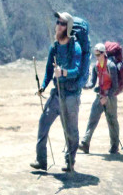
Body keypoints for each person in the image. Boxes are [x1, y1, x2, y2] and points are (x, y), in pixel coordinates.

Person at [30, 12, 82, 172]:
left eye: (61, 23)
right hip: (56, 95)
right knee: (43, 123)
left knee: (70, 131)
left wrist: (64, 72)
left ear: (68, 28)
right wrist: (43, 86)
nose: (57, 25)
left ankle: (70, 162)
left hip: (71, 96)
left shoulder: (75, 47)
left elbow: (77, 70)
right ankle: (41, 160)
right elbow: (48, 70)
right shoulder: (54, 47)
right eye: (57, 22)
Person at [78, 43, 120, 154]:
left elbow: (115, 86)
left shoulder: (111, 66)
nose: (96, 56)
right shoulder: (96, 66)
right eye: (95, 54)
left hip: (110, 97)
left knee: (112, 121)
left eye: (98, 54)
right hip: (100, 96)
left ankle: (114, 146)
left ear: (104, 53)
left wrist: (106, 97)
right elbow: (92, 83)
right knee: (92, 119)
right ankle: (85, 143)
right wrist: (83, 85)